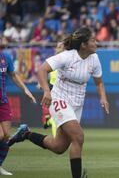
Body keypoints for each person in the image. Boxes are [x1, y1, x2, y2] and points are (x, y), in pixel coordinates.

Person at [8, 27, 110, 178]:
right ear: (83, 44)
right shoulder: (67, 57)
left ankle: (25, 134)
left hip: (77, 104)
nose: (96, 42)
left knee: (58, 147)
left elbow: (99, 83)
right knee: (79, 137)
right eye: (93, 40)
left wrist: (103, 97)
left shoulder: (94, 59)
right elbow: (42, 70)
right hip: (60, 98)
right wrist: (47, 91)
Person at [0, 46, 36, 175]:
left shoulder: (5, 57)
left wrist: (26, 90)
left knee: (5, 136)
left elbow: (14, 75)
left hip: (3, 101)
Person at [40, 41, 65, 137]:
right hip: (53, 88)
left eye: (62, 46)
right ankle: (56, 139)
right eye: (58, 46)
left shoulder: (66, 60)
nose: (60, 48)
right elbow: (43, 71)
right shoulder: (53, 60)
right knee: (57, 115)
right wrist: (41, 83)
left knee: (60, 115)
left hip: (63, 89)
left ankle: (49, 121)